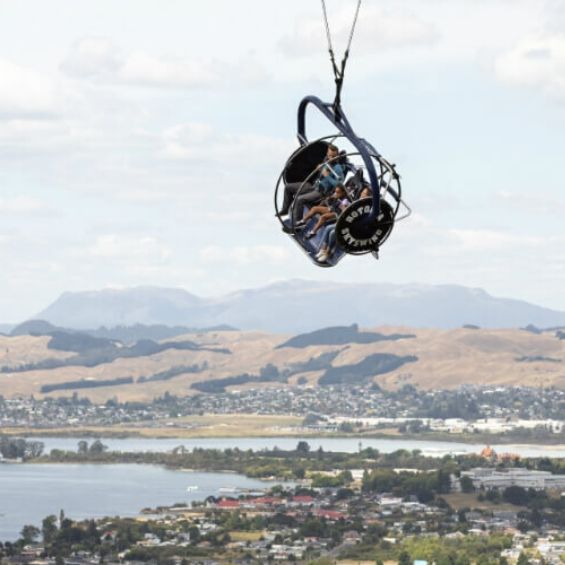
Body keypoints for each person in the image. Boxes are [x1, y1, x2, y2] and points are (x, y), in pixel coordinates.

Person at [279, 144, 344, 228]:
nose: (330, 158)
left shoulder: (338, 168)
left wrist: (327, 176)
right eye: (328, 155)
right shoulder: (326, 161)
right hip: (313, 186)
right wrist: (319, 168)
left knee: (300, 199)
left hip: (321, 192)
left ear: (336, 155)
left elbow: (339, 184)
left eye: (332, 156)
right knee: (288, 187)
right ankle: (285, 209)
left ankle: (298, 224)